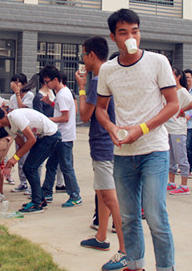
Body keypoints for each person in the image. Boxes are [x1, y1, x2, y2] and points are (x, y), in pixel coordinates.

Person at [96, 8, 179, 271]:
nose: (130, 37)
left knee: (155, 216)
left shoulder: (158, 61)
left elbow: (173, 104)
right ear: (113, 37)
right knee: (129, 217)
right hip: (123, 154)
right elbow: (100, 109)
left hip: (154, 149)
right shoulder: (108, 70)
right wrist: (110, 127)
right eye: (123, 33)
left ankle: (165, 267)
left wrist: (141, 129)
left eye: (135, 31)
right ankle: (134, 265)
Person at [75, 36, 128, 271]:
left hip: (104, 144)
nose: (82, 60)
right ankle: (101, 237)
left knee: (110, 198)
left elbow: (85, 115)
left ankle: (126, 251)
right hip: (107, 143)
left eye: (83, 55)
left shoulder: (97, 81)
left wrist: (81, 87)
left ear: (92, 55)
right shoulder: (109, 76)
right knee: (101, 192)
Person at [0, 105, 62, 214]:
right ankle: (40, 200)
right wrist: (11, 162)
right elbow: (22, 144)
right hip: (43, 138)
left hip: (52, 136)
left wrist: (14, 159)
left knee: (30, 168)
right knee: (29, 168)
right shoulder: (7, 127)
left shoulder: (15, 117)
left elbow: (31, 139)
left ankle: (37, 203)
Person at [40, 66, 82, 207]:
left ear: (56, 79)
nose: (47, 85)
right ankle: (46, 192)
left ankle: (75, 195)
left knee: (66, 167)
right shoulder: (62, 93)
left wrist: (47, 119)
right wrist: (50, 103)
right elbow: (61, 110)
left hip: (64, 137)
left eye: (48, 82)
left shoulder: (62, 95)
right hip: (60, 136)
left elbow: (65, 117)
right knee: (52, 165)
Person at [166, 67, 192, 195]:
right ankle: (172, 182)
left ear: (178, 77)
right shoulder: (170, 91)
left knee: (181, 157)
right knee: (171, 158)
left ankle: (184, 185)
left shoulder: (182, 91)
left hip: (178, 129)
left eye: (172, 75)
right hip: (168, 128)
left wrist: (183, 110)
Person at [8, 73, 35, 193]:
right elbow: (11, 111)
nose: (15, 85)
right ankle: (23, 182)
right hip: (18, 130)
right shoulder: (12, 97)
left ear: (24, 84)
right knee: (20, 156)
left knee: (28, 157)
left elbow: (22, 109)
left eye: (18, 82)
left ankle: (31, 184)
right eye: (14, 82)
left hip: (28, 130)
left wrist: (18, 93)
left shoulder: (29, 95)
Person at [183, 69, 192, 176]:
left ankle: (189, 169)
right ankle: (183, 167)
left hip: (191, 124)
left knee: (188, 145)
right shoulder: (181, 91)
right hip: (180, 124)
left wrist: (190, 115)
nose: (187, 79)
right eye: (185, 77)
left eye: (188, 77)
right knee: (181, 146)